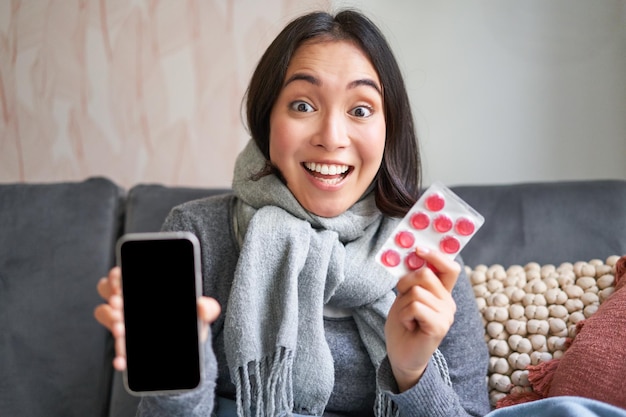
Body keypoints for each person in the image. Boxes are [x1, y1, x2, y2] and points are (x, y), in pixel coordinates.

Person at [95, 9, 493, 417]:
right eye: (303, 105)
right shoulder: (200, 234)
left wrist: (412, 372)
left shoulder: (428, 261)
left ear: (389, 128)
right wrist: (182, 373)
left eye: (360, 110)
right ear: (268, 119)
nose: (332, 138)